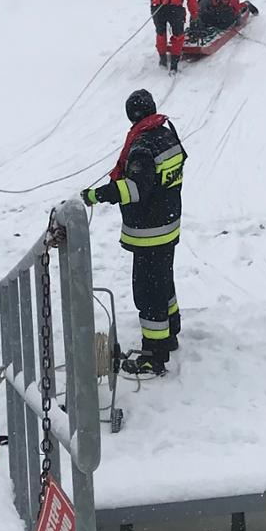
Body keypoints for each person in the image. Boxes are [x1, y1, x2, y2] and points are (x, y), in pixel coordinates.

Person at [81, 89, 188, 376]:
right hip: (168, 226)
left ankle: (153, 356)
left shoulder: (142, 146)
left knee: (149, 294)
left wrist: (98, 195)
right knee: (164, 284)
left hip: (150, 232)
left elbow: (136, 189)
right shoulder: (166, 135)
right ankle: (171, 332)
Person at [149, 0, 198, 74]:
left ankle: (162, 60)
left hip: (157, 7)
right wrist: (194, 15)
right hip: (174, 9)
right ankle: (174, 66)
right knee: (178, 36)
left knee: (161, 33)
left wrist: (155, 8)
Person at [195, 0, 259, 37]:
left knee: (230, 15)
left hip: (212, 15)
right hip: (212, 15)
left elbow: (236, 11)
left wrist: (237, 20)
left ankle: (246, 4)